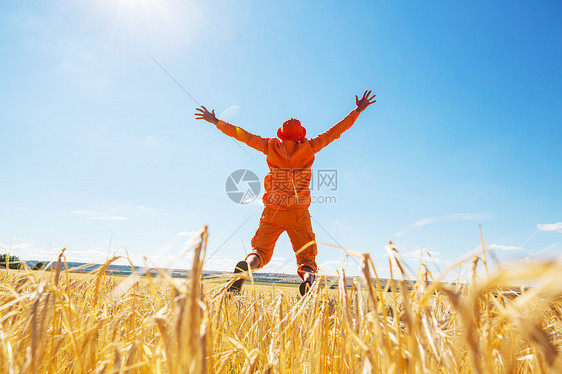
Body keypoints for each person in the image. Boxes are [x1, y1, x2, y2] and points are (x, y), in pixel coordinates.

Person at [195, 90, 376, 295]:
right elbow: (334, 132)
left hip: (272, 210)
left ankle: (246, 269)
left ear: (282, 134)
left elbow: (243, 135)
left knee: (259, 252)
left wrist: (217, 121)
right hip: (298, 213)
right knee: (307, 259)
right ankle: (308, 280)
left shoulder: (270, 145)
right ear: (301, 135)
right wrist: (357, 111)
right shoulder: (309, 146)